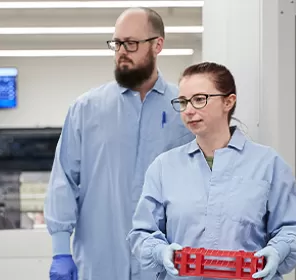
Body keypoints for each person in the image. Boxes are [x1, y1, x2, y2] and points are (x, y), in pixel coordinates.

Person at [44, 7, 194, 280]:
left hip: (165, 266)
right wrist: (60, 251)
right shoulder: (86, 109)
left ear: (157, 45)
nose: (121, 51)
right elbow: (63, 181)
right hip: (101, 263)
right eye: (117, 44)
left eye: (131, 44)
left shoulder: (184, 110)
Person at [127, 62, 296, 280]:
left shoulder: (268, 164)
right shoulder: (164, 167)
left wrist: (279, 251)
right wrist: (160, 251)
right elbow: (142, 233)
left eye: (199, 99)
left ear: (228, 101)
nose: (189, 110)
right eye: (183, 102)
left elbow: (292, 230)